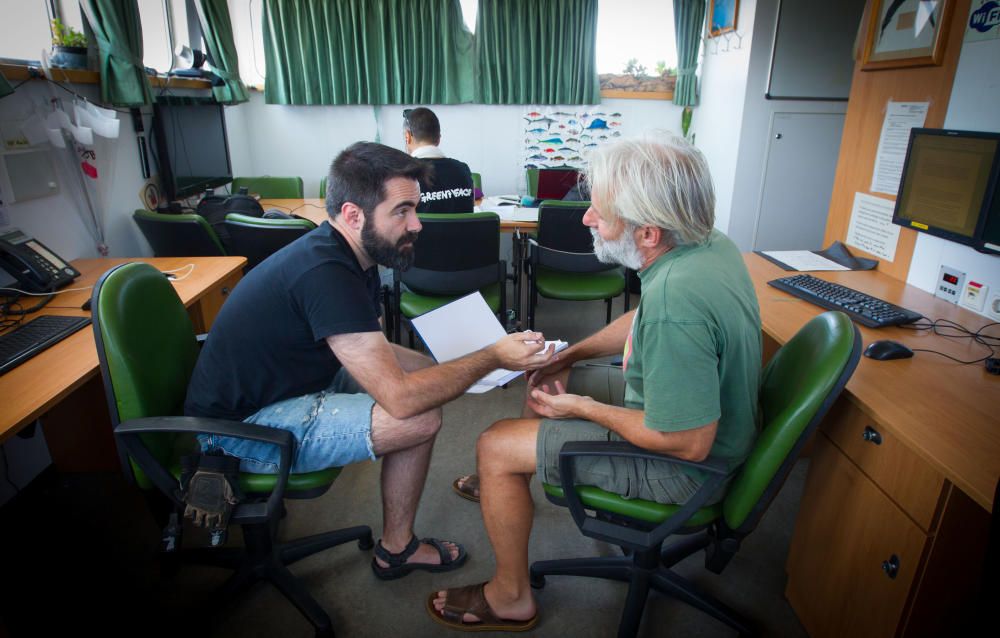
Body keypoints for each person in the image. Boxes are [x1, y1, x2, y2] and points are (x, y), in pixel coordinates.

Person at [428, 134, 762, 630]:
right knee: (546, 380)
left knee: (494, 444)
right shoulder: (705, 244)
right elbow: (644, 321)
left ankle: (510, 597)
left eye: (600, 213)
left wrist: (584, 407)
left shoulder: (678, 301)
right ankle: (507, 481)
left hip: (685, 467)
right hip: (705, 421)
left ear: (647, 232)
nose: (586, 218)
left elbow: (687, 443)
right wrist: (571, 354)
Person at [184, 141, 556, 580]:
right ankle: (397, 550)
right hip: (237, 428)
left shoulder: (348, 254)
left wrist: (477, 361)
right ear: (354, 214)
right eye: (401, 211)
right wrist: (490, 355)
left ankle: (396, 546)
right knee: (417, 417)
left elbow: (374, 347)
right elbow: (400, 400)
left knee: (421, 386)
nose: (417, 224)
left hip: (291, 382)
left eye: (415, 208)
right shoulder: (324, 273)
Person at [404, 107, 476, 213]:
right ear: (438, 139)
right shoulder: (463, 169)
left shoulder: (403, 174)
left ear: (407, 137)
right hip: (461, 230)